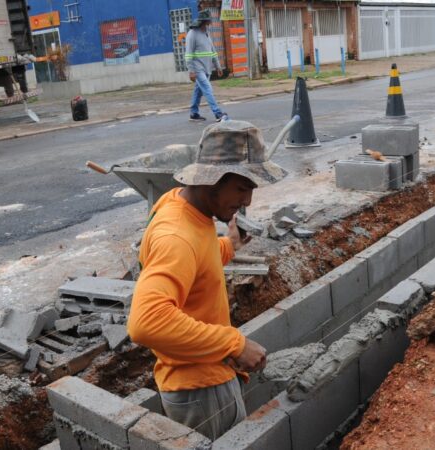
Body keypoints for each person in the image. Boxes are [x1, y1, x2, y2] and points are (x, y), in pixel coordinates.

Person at [127, 120, 286, 439]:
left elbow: (198, 256)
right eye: (242, 189)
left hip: (201, 381)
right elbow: (145, 323)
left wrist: (230, 245)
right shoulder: (177, 236)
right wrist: (234, 343)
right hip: (202, 391)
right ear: (211, 180)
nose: (248, 202)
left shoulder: (181, 205)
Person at [185, 10, 229, 122]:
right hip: (197, 68)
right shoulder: (192, 34)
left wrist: (218, 67)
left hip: (207, 68)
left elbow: (212, 51)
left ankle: (194, 113)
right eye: (209, 20)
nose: (210, 22)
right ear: (204, 21)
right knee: (207, 89)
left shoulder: (206, 33)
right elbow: (188, 54)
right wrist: (191, 71)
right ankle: (218, 114)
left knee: (198, 91)